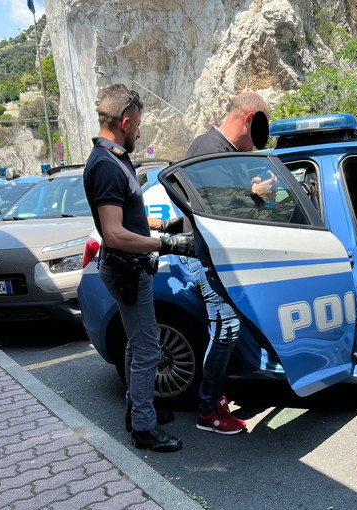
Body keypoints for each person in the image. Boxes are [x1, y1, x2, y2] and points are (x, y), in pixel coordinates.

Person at [83, 84, 195, 452]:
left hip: (129, 268)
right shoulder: (106, 166)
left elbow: (128, 220)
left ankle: (138, 409)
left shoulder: (113, 159)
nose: (140, 132)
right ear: (125, 121)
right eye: (139, 125)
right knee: (148, 350)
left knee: (136, 345)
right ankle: (143, 428)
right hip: (127, 270)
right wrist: (169, 244)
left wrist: (165, 226)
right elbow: (114, 234)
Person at [186, 91, 270, 435]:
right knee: (226, 330)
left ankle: (217, 396)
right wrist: (254, 197)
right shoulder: (209, 151)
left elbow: (229, 203)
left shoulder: (222, 153)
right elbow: (214, 213)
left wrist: (249, 192)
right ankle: (207, 410)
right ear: (249, 120)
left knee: (227, 330)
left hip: (224, 259)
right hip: (211, 260)